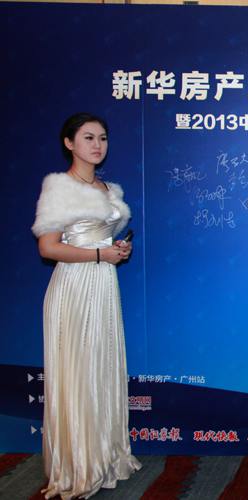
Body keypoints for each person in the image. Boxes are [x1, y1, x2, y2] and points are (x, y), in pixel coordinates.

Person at [32, 113, 141, 499]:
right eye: (88, 137)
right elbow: (48, 247)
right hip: (74, 289)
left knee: (102, 370)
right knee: (78, 373)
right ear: (69, 143)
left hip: (104, 287)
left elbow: (101, 241)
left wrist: (117, 250)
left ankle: (106, 456)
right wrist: (99, 254)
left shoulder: (108, 189)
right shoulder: (59, 187)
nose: (97, 145)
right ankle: (79, 465)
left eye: (103, 138)